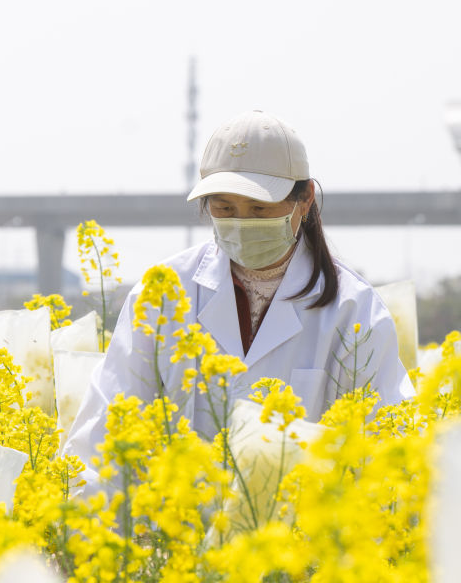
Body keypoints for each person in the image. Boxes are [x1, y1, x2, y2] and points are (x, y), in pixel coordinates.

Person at [63, 109, 414, 496]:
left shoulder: (355, 311)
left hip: (302, 545)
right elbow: (103, 432)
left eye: (260, 209)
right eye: (225, 208)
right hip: (175, 539)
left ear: (304, 199)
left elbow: (386, 452)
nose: (242, 222)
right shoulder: (162, 294)